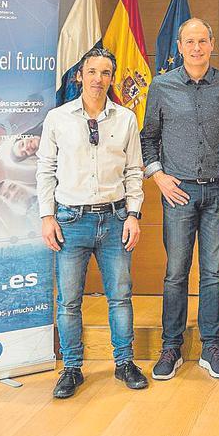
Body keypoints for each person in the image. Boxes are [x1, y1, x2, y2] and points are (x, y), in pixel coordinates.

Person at [36, 47, 146, 399]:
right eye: (92, 72)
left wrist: (133, 214)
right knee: (68, 301)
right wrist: (47, 216)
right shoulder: (58, 118)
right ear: (79, 76)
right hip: (70, 219)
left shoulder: (126, 118)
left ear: (113, 78)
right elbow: (45, 170)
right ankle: (71, 367)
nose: (99, 79)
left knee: (120, 297)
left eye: (106, 73)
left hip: (115, 219)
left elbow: (133, 171)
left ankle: (125, 362)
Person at [141, 18, 219, 381]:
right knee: (175, 273)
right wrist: (158, 176)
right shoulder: (161, 86)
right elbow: (148, 138)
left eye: (203, 41)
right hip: (178, 193)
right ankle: (172, 346)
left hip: (218, 191)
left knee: (213, 272)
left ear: (212, 44)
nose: (197, 47)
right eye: (190, 41)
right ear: (180, 47)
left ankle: (211, 344)